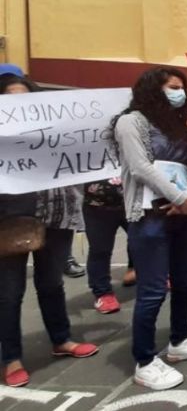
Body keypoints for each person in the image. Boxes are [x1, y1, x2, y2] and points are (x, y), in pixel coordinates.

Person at [112, 67, 187, 390]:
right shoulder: (131, 122)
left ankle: (180, 339)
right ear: (153, 90)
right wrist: (179, 197)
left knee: (185, 281)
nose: (180, 93)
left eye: (182, 88)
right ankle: (144, 360)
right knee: (153, 290)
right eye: (173, 87)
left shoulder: (183, 123)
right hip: (150, 217)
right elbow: (139, 166)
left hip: (183, 213)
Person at [0, 75, 100, 388]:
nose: (20, 103)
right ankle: (11, 358)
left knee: (51, 284)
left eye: (26, 96)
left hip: (57, 216)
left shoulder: (56, 129)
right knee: (10, 293)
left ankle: (62, 339)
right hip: (11, 220)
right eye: (11, 97)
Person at [83, 178, 136, 314]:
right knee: (100, 250)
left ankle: (146, 273)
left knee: (144, 240)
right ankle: (103, 293)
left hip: (132, 199)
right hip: (96, 206)